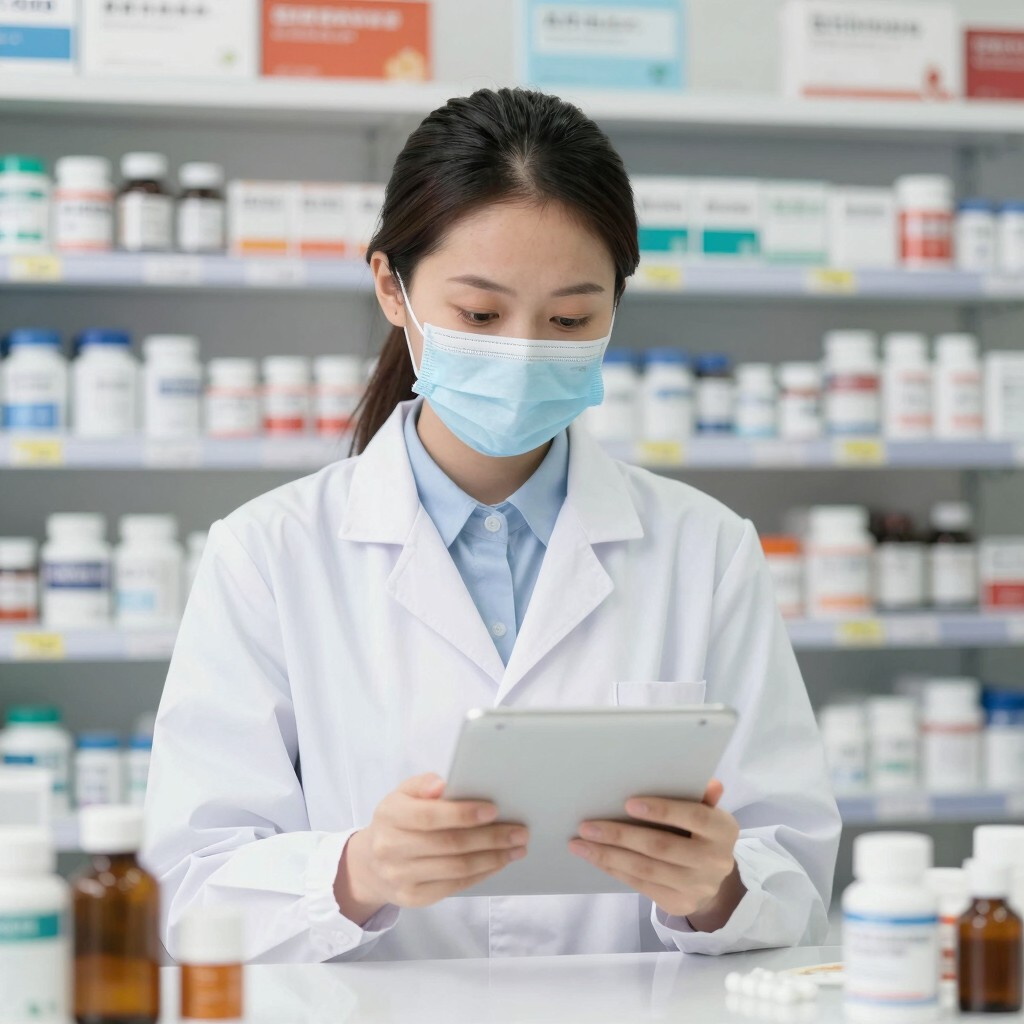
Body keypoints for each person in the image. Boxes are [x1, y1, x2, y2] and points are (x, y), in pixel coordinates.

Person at [145, 87, 840, 963]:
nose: (522, 350)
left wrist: (720, 889)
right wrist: (357, 873)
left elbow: (797, 876)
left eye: (569, 319)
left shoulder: (705, 550)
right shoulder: (270, 553)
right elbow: (191, 889)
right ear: (391, 288)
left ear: (616, 306)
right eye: (479, 315)